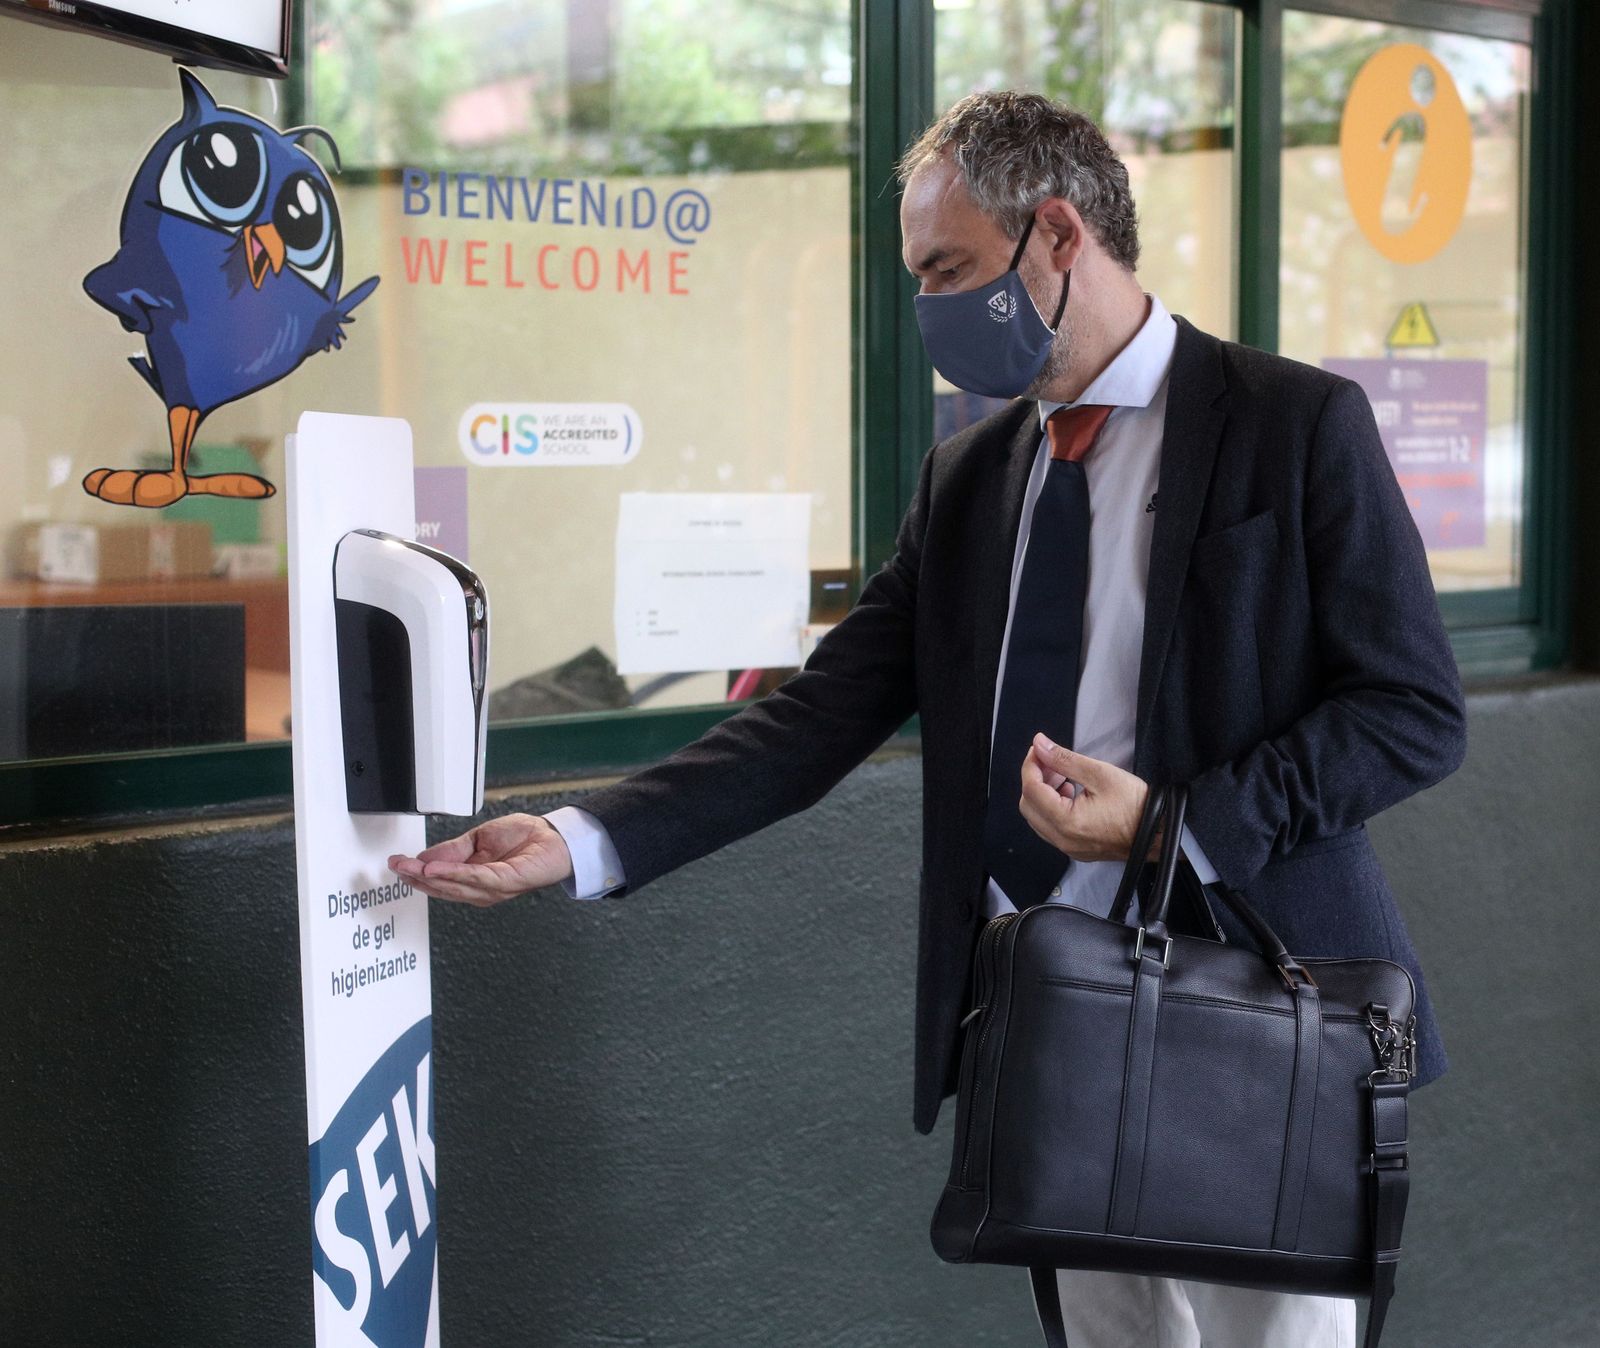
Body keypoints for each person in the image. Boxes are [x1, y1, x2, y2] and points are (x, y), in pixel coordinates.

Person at [389, 90, 1467, 1348]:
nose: (929, 310)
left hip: (1260, 1025)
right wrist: (583, 839)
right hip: (1054, 1027)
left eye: (948, 269)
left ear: (1059, 234)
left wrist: (1176, 825)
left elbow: (1411, 709)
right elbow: (814, 717)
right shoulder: (970, 478)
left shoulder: (1293, 425)